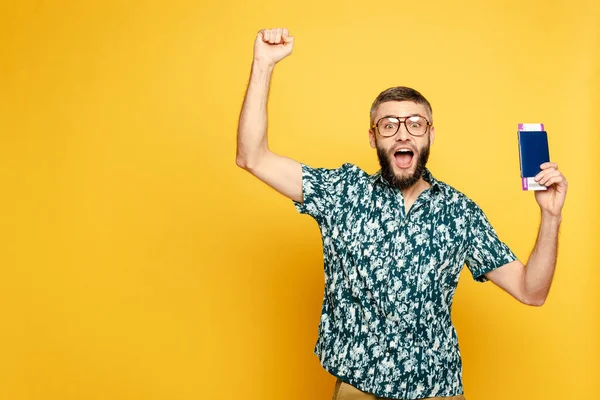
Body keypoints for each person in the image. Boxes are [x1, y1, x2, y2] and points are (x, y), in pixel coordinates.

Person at [236, 28, 568, 400]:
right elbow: (253, 157)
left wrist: (551, 217)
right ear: (373, 137)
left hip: (436, 390)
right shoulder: (343, 192)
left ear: (429, 135)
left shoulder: (458, 212)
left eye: (415, 124)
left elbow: (531, 291)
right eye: (389, 125)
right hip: (358, 389)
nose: (403, 135)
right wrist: (264, 64)